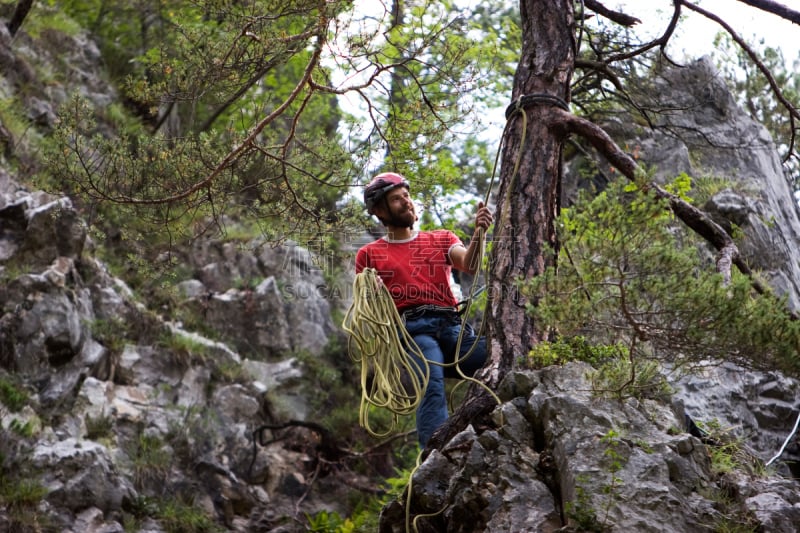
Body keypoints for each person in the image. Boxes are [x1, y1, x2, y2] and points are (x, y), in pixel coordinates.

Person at [355, 172, 493, 448]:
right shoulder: (369, 255)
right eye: (396, 199)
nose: (406, 202)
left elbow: (470, 264)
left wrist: (479, 233)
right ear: (380, 211)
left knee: (491, 358)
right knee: (430, 383)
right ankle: (435, 454)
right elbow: (369, 305)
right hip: (414, 332)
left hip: (451, 325)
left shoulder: (441, 238)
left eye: (406, 195)